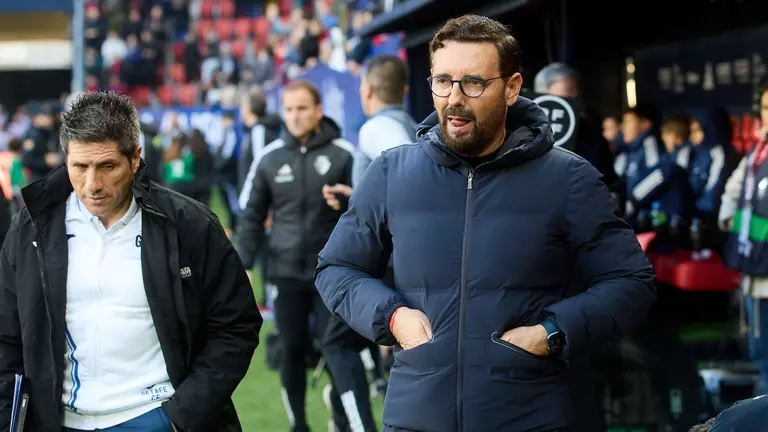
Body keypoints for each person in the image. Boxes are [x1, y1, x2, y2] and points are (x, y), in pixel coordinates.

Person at [314, 14, 656, 432]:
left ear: (511, 88)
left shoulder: (569, 177)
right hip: (415, 416)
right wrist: (391, 318)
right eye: (443, 81)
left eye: (473, 82)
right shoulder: (391, 172)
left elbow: (631, 282)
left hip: (531, 418)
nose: (454, 98)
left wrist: (551, 331)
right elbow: (336, 268)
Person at [0, 92, 263, 431]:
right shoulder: (30, 229)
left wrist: (180, 416)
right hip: (60, 421)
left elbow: (235, 327)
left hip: (155, 417)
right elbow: (6, 336)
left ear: (135, 158)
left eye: (106, 166)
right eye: (79, 167)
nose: (92, 184)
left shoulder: (189, 224)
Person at [236, 80, 358, 432]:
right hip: (285, 273)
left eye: (302, 108)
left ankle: (341, 419)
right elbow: (251, 216)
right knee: (290, 349)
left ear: (318, 111)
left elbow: (365, 211)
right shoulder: (269, 158)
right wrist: (243, 263)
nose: (295, 116)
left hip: (332, 274)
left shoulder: (342, 153)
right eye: (289, 109)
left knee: (335, 349)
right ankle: (298, 425)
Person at [720, 83, 768, 390]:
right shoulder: (758, 151)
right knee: (760, 356)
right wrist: (738, 223)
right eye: (765, 108)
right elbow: (732, 193)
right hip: (756, 273)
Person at [533, 62, 618, 190]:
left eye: (575, 100)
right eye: (565, 99)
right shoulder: (522, 136)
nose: (572, 107)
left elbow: (610, 184)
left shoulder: (593, 140)